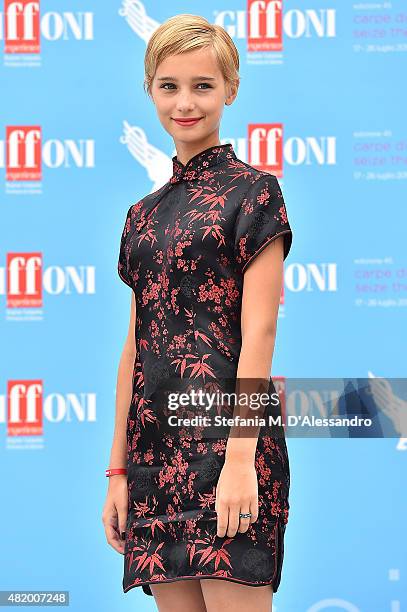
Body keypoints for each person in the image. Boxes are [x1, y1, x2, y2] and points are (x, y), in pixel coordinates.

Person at [102, 13, 293, 612]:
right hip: (155, 457)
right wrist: (119, 473)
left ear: (230, 90)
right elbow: (137, 346)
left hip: (228, 449)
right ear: (150, 91)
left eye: (203, 86)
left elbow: (258, 332)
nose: (185, 103)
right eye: (169, 86)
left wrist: (239, 460)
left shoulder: (255, 194)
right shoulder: (141, 215)